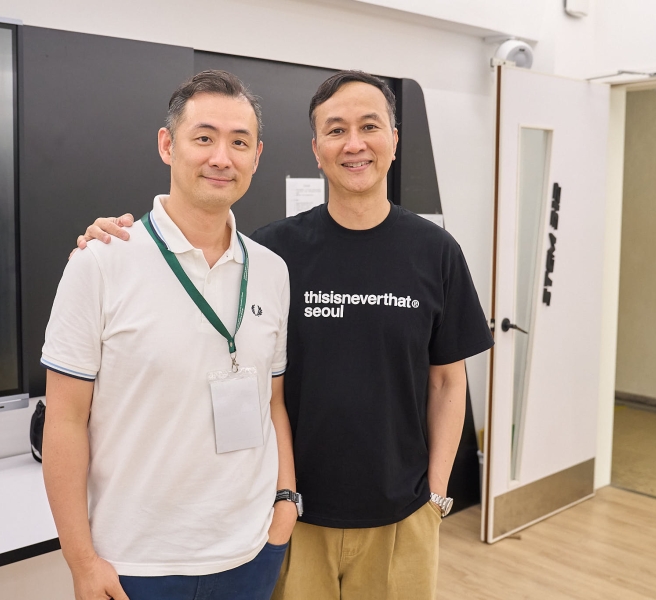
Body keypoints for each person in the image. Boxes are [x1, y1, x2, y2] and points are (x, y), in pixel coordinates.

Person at [77, 70, 494, 600]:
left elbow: (447, 382)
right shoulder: (270, 256)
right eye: (336, 130)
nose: (354, 144)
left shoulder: (436, 252)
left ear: (394, 140)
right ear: (316, 149)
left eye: (369, 126)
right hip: (290, 518)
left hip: (402, 518)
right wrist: (108, 240)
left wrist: (435, 496)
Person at [42, 70, 299, 600]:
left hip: (251, 550)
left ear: (257, 157)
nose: (221, 157)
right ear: (167, 145)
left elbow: (272, 401)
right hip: (136, 562)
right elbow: (64, 419)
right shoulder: (101, 262)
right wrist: (81, 561)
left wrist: (285, 503)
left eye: (239, 142)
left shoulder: (272, 270)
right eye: (203, 137)